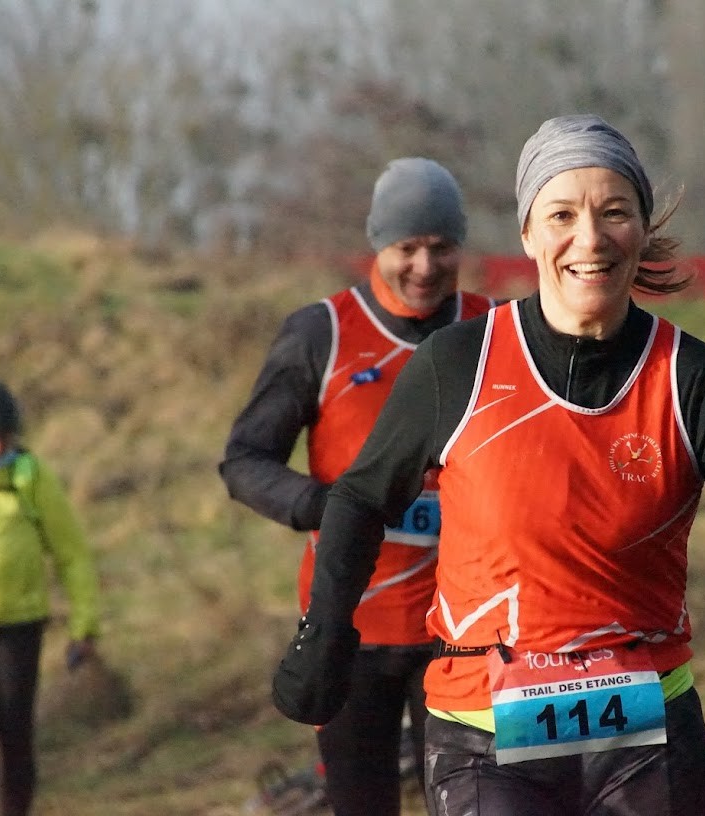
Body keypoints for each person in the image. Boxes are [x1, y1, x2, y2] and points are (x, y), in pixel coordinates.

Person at [271, 115, 705, 816]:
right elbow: (360, 500)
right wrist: (326, 635)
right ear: (530, 235)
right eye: (562, 214)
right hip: (485, 738)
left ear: (643, 230)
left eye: (615, 212)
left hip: (647, 730)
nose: (590, 238)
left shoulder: (690, 376)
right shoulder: (457, 365)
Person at [220, 157, 495, 816]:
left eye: (442, 248)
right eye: (407, 248)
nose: (425, 267)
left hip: (468, 630)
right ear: (378, 244)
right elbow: (243, 460)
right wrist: (331, 507)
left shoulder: (495, 331)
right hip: (352, 626)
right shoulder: (322, 333)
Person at [0, 380, 101, 816]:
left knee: (15, 735)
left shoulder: (31, 477)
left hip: (17, 631)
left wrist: (84, 624)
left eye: (2, 436)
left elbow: (72, 554)